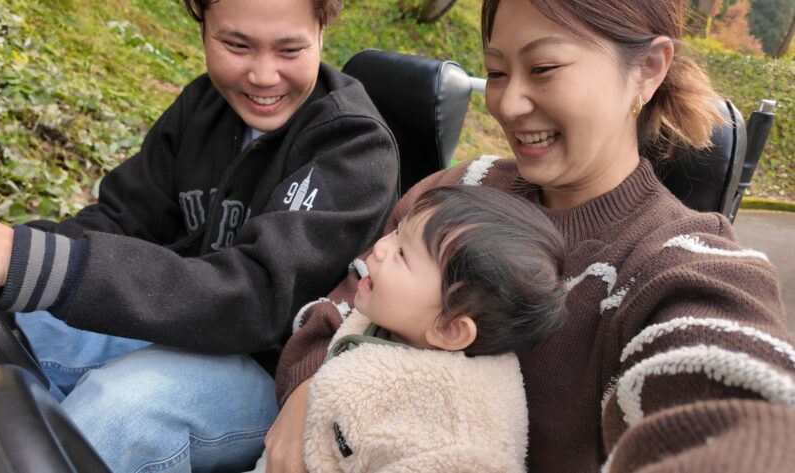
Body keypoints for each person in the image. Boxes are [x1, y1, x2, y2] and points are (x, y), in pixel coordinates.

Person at [269, 0, 795, 472]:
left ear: (648, 68)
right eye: (497, 71)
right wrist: (308, 391)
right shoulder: (457, 191)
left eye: (543, 68)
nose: (509, 103)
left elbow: (739, 409)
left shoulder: (680, 262)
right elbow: (338, 309)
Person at [0, 0, 399, 471]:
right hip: (184, 325)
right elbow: (122, 219)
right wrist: (2, 254)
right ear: (202, 26)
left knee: (124, 409)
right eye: (236, 45)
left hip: (274, 373)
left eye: (290, 50)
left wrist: (23, 259)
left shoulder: (356, 150)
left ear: (322, 33)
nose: (263, 76)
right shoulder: (204, 105)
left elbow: (255, 300)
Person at [248, 185, 566, 472]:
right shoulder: (390, 320)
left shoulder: (453, 438)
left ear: (450, 329)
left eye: (402, 254)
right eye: (397, 232)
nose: (381, 247)